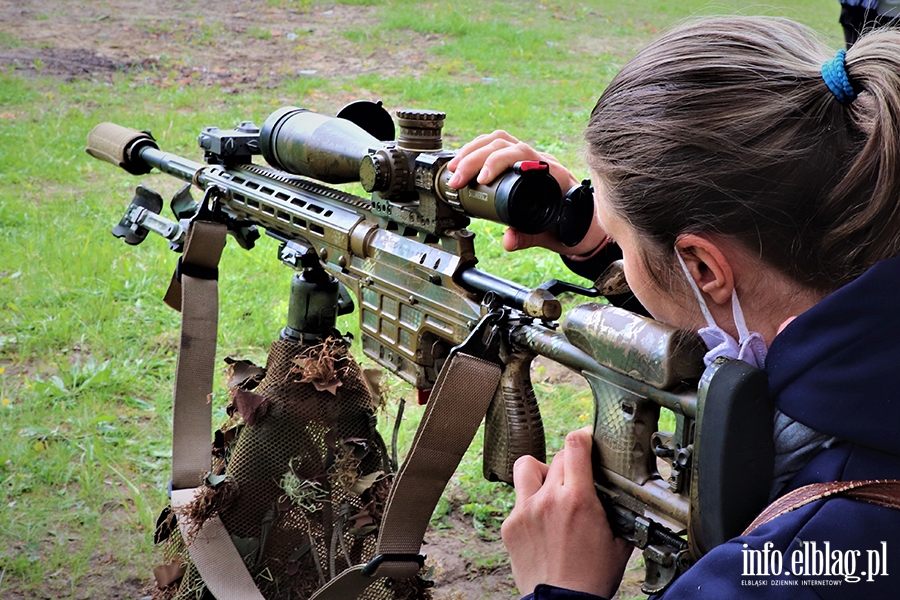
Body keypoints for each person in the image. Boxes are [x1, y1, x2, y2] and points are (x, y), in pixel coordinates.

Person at [446, 16, 900, 599]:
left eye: (620, 238)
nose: (614, 245)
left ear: (706, 268)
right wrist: (600, 238)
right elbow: (745, 292)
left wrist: (560, 588)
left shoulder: (795, 566)